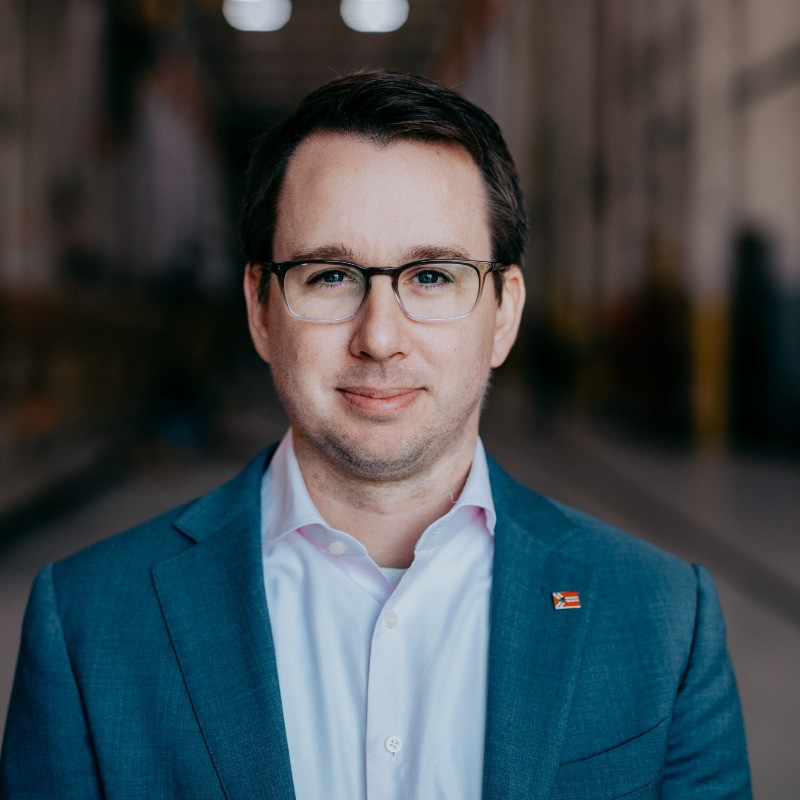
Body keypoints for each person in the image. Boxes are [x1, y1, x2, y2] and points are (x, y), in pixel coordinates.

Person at [1, 71, 751, 799]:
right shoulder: (90, 625)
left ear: (505, 313)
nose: (380, 337)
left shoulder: (662, 620)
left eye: (432, 276)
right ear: (261, 310)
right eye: (329, 276)